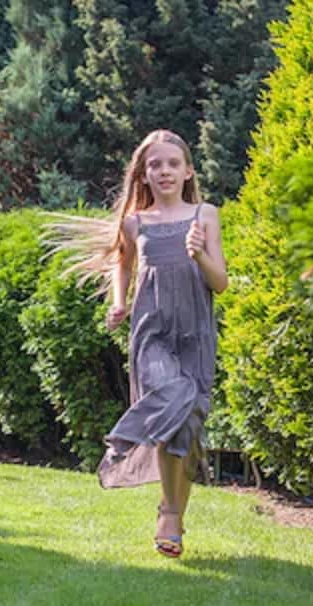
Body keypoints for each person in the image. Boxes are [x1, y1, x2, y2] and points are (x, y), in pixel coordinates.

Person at [74, 129, 228, 558]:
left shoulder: (205, 215)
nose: (164, 171)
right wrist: (118, 303)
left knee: (187, 423)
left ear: (188, 171)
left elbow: (221, 283)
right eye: (155, 164)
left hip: (195, 334)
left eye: (173, 163)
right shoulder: (135, 222)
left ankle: (171, 512)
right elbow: (122, 263)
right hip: (153, 333)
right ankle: (137, 463)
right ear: (142, 174)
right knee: (170, 396)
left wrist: (199, 255)